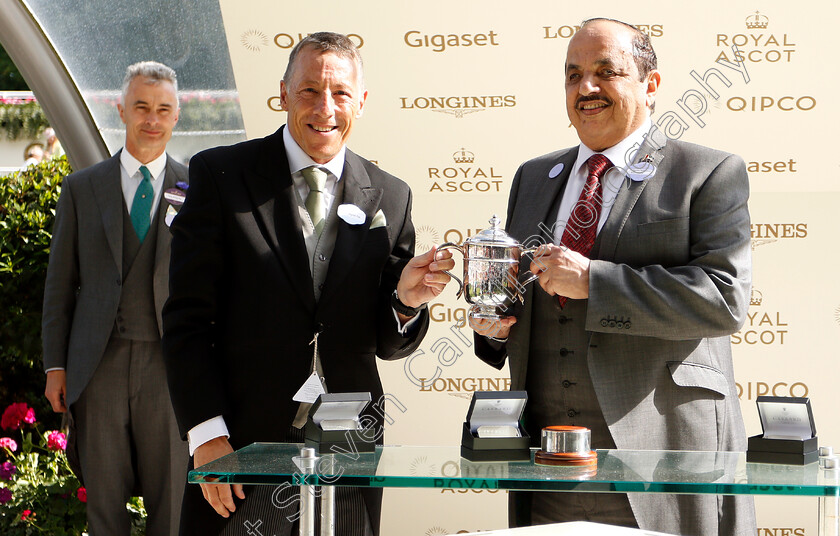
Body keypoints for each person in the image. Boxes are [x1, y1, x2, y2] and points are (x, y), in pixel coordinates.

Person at [470, 18, 755, 536]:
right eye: (573, 74)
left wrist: (594, 282)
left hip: (664, 456)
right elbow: (525, 297)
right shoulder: (533, 176)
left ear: (651, 83)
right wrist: (496, 326)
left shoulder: (707, 172)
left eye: (607, 71)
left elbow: (723, 298)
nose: (587, 88)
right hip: (549, 463)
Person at [162, 32, 453, 536]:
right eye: (309, 92)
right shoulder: (221, 174)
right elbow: (186, 320)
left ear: (361, 102)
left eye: (340, 93)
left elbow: (387, 341)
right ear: (282, 93)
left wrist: (405, 303)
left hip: (350, 448)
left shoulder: (392, 194)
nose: (325, 108)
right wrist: (207, 434)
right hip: (241, 445)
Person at [41, 61, 189, 536]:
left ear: (176, 116)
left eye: (162, 109)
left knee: (172, 504)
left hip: (169, 369)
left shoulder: (199, 190)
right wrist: (55, 366)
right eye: (142, 106)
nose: (151, 118)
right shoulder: (83, 188)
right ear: (121, 109)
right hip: (96, 365)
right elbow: (60, 285)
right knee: (104, 508)